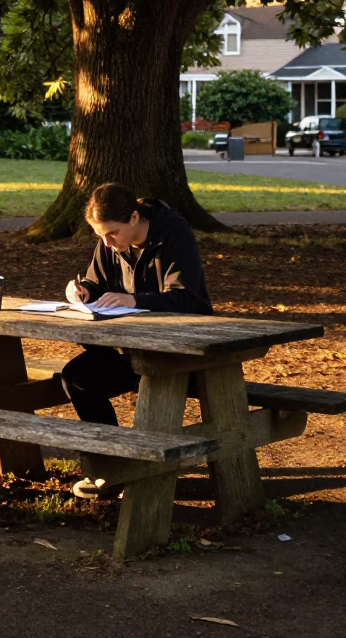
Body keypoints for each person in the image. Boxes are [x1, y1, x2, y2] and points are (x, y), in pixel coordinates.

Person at [61, 181, 213, 499]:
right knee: (77, 378)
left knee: (151, 378)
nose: (105, 241)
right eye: (99, 234)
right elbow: (96, 282)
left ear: (133, 218)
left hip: (183, 353)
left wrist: (135, 301)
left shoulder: (173, 233)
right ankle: (112, 468)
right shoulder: (111, 242)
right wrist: (82, 291)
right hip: (131, 351)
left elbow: (187, 301)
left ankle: (139, 477)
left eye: (111, 233)